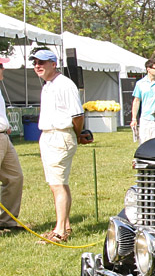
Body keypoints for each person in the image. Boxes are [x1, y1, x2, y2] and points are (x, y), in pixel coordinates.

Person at [34, 49, 90, 243]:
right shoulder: (48, 85)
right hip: (49, 136)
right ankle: (64, 225)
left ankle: (60, 232)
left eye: (42, 62)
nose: (37, 66)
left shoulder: (65, 84)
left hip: (60, 136)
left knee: (58, 185)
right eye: (35, 63)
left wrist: (77, 134)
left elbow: (77, 115)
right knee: (56, 184)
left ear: (53, 64)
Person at [0, 55, 26, 234]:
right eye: (1, 65)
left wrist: (6, 125)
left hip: (4, 137)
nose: (3, 69)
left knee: (15, 177)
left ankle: (6, 221)